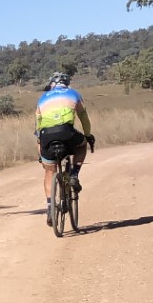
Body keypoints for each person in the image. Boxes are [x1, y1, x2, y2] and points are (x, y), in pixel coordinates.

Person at [34, 73, 95, 209]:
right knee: (82, 144)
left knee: (49, 171)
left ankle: (50, 208)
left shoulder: (42, 98)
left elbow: (37, 125)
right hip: (67, 132)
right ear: (66, 84)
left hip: (46, 135)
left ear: (51, 84)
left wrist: (41, 152)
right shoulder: (73, 93)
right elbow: (83, 116)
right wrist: (88, 135)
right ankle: (73, 175)